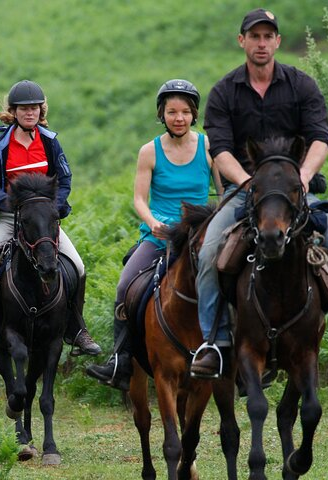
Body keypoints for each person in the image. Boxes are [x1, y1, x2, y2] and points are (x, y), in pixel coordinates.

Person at [190, 8, 328, 380]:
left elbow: (321, 136)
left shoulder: (301, 85)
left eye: (268, 36)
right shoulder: (225, 91)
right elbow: (220, 147)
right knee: (210, 252)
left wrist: (305, 176)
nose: (261, 43)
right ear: (242, 40)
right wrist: (245, 182)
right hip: (245, 192)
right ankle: (216, 344)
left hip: (295, 194)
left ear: (277, 41)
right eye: (254, 36)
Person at [85, 79, 222, 390]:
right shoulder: (149, 151)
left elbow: (225, 193)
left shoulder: (209, 146)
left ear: (193, 114)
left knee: (234, 279)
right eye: (172, 111)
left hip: (200, 236)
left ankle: (237, 358)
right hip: (159, 236)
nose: (179, 118)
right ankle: (120, 360)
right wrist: (154, 223)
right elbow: (139, 199)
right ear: (162, 113)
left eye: (185, 112)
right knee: (124, 286)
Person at [0, 79, 101, 358]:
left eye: (35, 108)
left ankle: (77, 328)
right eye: (24, 109)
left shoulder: (50, 142)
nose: (30, 113)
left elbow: (64, 178)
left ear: (41, 110)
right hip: (8, 218)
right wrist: (10, 205)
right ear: (13, 112)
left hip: (43, 220)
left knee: (78, 266)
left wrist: (54, 208)